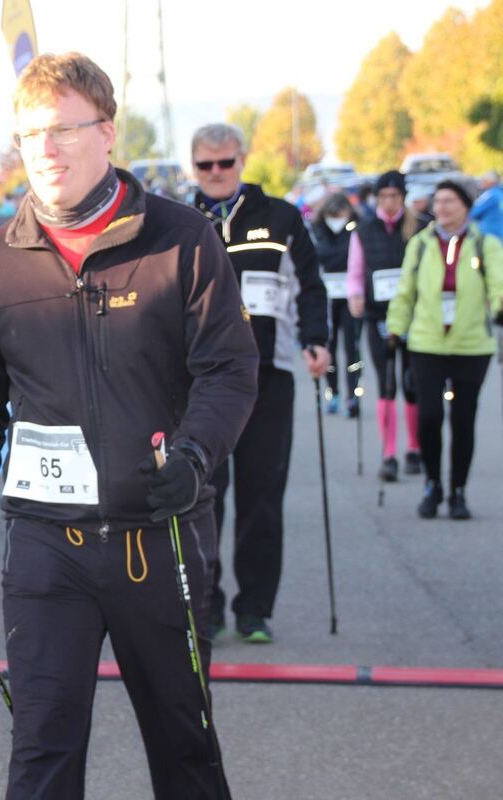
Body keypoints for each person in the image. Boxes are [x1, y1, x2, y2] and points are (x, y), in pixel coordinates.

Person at [0, 52, 259, 799]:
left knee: (186, 752)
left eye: (62, 130)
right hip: (48, 547)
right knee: (42, 757)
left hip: (160, 536)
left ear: (107, 132)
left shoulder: (181, 240)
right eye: (28, 136)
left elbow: (230, 369)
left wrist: (195, 456)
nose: (44, 151)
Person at [191, 123, 330, 644]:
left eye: (225, 162)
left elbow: (310, 287)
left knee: (262, 495)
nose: (217, 173)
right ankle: (207, 605)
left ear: (242, 160)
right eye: (206, 166)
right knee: (202, 495)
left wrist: (317, 339)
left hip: (267, 376)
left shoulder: (281, 217)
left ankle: (254, 609)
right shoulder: (182, 222)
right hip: (199, 381)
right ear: (194, 167)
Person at [386, 179, 503, 519]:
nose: (442, 208)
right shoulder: (421, 244)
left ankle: (458, 490)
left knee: (463, 420)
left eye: (450, 201)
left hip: (471, 344)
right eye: (438, 201)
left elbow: (498, 282)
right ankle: (433, 483)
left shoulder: (485, 244)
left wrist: (499, 305)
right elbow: (405, 289)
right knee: (430, 416)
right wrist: (395, 327)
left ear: (466, 205)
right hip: (426, 342)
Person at [346, 170, 424, 482]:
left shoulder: (419, 226)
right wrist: (355, 295)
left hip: (415, 315)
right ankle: (389, 451)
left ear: (403, 197)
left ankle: (415, 447)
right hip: (379, 315)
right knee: (387, 381)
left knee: (413, 382)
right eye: (383, 197)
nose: (389, 202)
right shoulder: (364, 229)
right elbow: (356, 268)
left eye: (394, 196)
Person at [310, 192, 363, 416]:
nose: (337, 220)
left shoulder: (357, 229)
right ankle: (333, 392)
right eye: (333, 215)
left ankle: (353, 395)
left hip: (350, 296)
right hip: (326, 297)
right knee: (328, 347)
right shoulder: (317, 232)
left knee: (352, 347)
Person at [470, 170, 503, 241]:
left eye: (484, 180)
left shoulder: (490, 195)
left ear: (491, 182)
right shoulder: (499, 194)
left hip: (489, 235)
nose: (482, 182)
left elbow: (473, 213)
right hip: (499, 234)